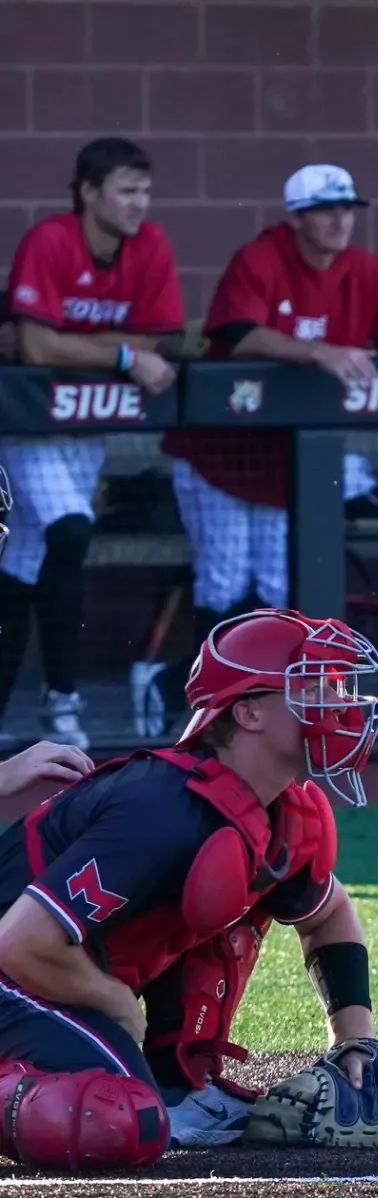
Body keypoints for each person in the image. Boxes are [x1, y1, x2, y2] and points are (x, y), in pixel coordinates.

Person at [0, 609, 378, 1169]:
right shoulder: (159, 808)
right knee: (122, 1121)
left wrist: (354, 1041)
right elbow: (18, 944)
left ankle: (180, 1081)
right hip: (16, 967)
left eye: (335, 686)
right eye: (312, 686)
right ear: (246, 711)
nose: (338, 705)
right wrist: (114, 1002)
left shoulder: (280, 812)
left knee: (236, 911)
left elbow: (329, 915)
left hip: (52, 969)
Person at [154, 164, 378, 721]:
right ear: (297, 217)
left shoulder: (364, 270)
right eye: (326, 209)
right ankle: (183, 694)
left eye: (346, 208)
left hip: (289, 466)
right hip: (220, 458)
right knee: (225, 584)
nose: (340, 220)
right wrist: (320, 352)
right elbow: (237, 335)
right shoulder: (261, 258)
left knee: (284, 590)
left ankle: (266, 710)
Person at [0, 138, 184, 751]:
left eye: (145, 190)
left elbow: (163, 342)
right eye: (127, 190)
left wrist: (87, 343)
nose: (140, 203)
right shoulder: (51, 240)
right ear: (87, 192)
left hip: (87, 427)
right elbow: (37, 348)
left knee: (22, 561)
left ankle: (11, 708)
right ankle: (63, 696)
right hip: (29, 423)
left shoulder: (150, 246)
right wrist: (121, 352)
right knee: (71, 529)